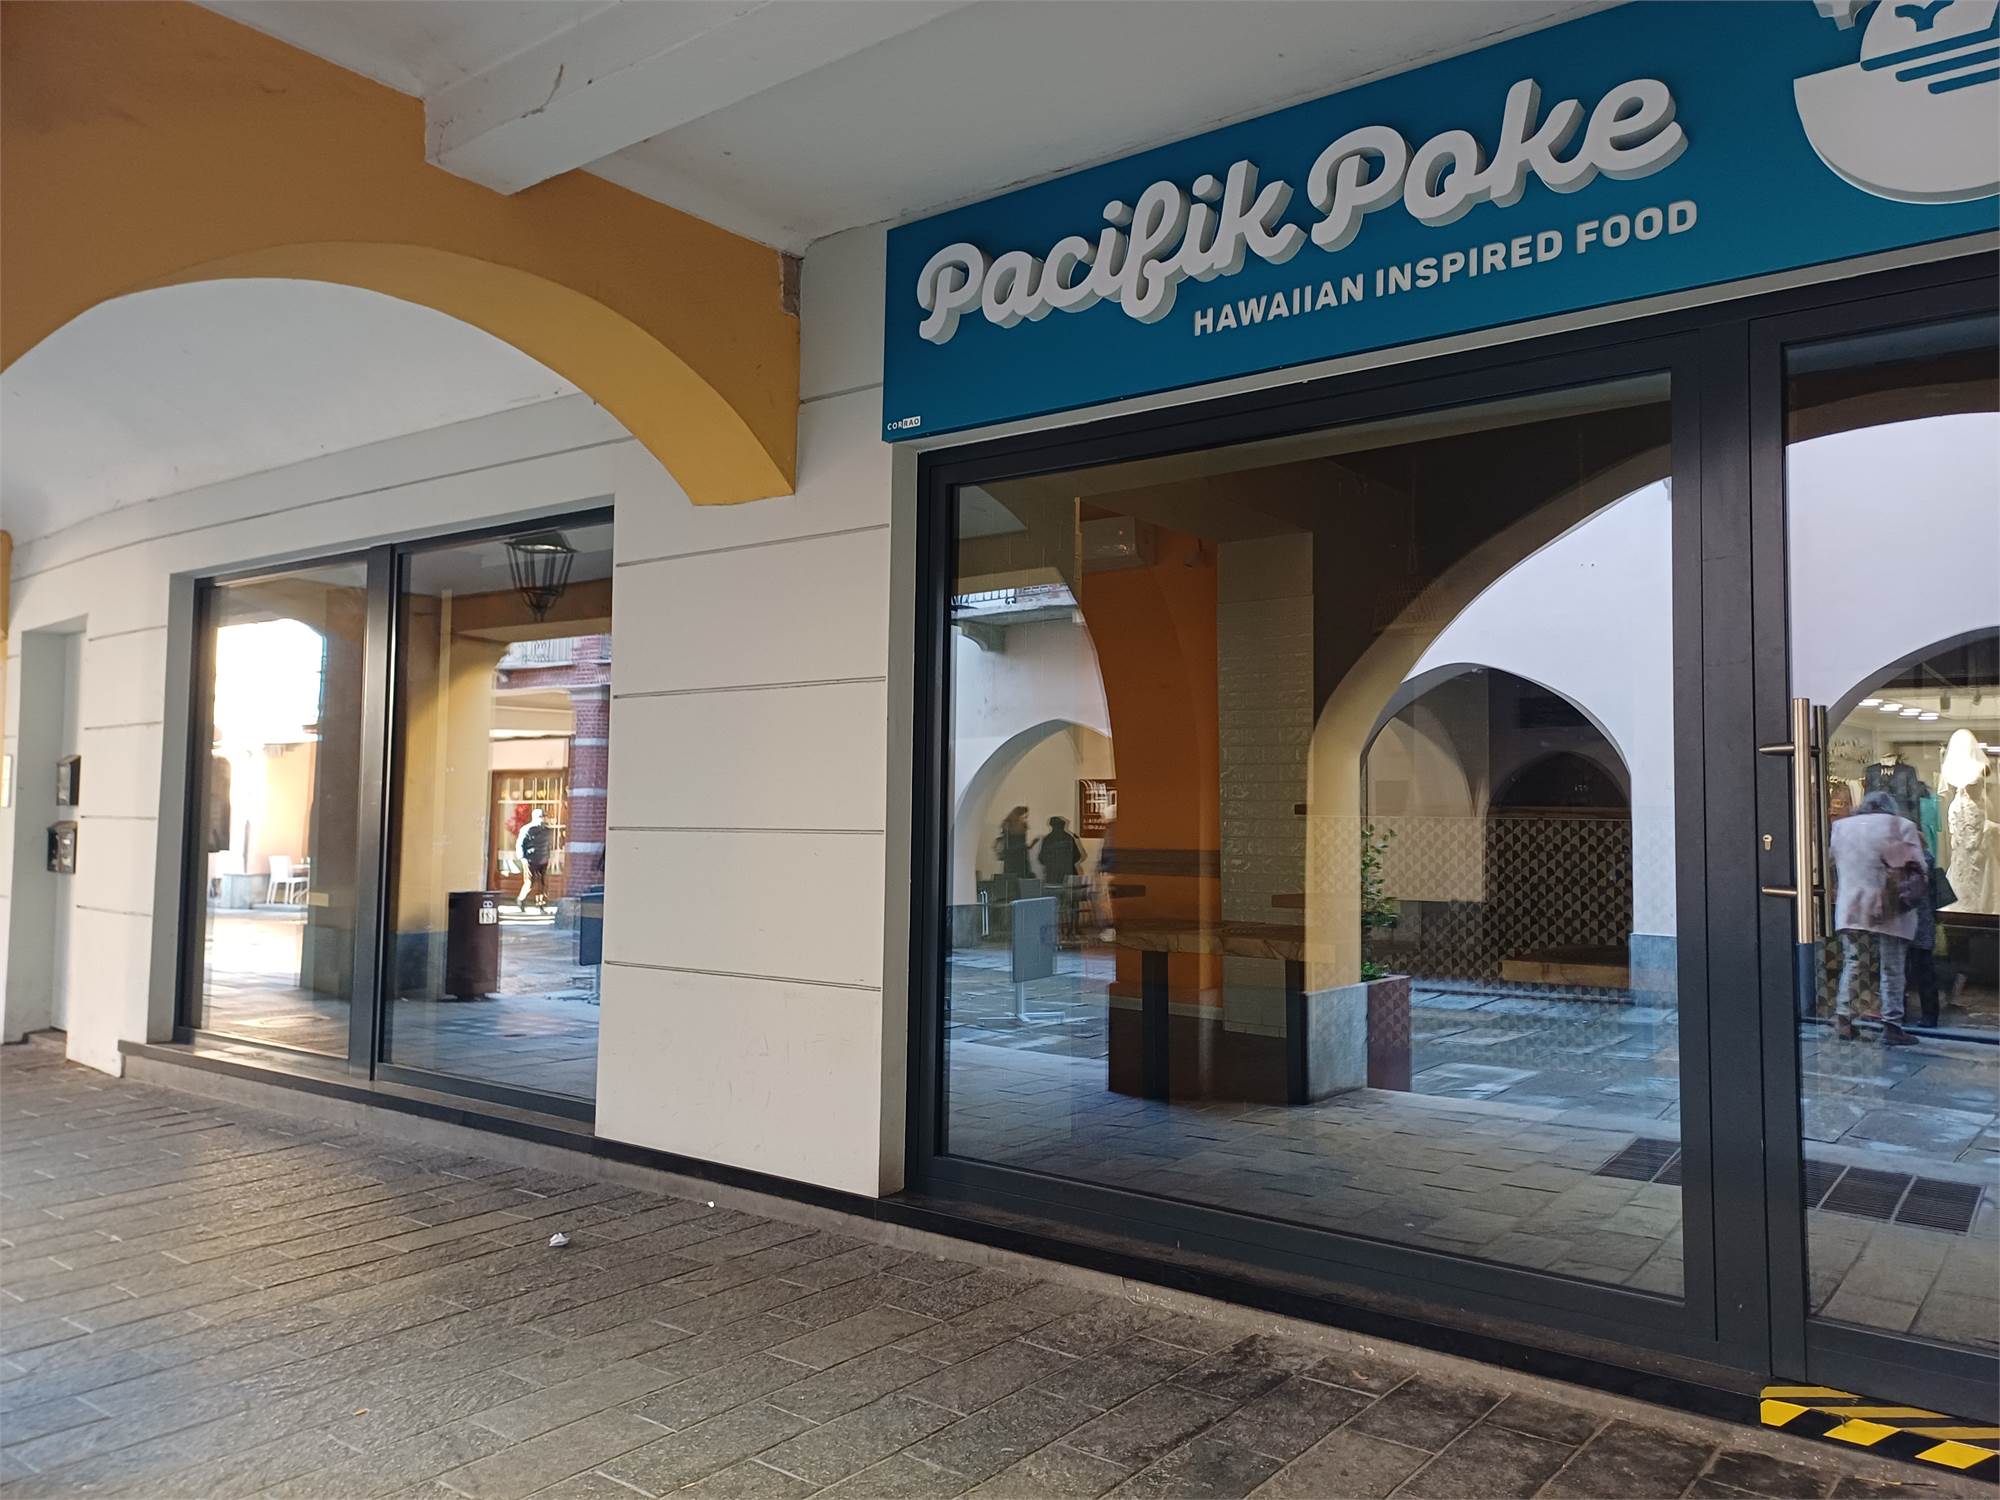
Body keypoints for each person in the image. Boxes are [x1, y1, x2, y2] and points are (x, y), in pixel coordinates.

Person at [1829, 789, 1926, 1045]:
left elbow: (1834, 861)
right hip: (1890, 906)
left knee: (1855, 961)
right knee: (1892, 967)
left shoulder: (1841, 828)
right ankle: (1892, 1025)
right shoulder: (1901, 826)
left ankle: (1843, 1018)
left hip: (1851, 906)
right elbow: (1918, 866)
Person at [1038, 816, 1086, 941]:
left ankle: (1056, 929)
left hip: (1053, 877)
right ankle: (1073, 929)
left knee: (1055, 904)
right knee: (1073, 903)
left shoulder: (1048, 839)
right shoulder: (1069, 838)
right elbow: (1078, 856)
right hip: (1070, 875)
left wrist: (1052, 865)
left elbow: (1041, 858)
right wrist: (1066, 864)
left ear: (1051, 826)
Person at [517, 807, 554, 912]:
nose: (543, 819)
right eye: (541, 817)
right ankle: (521, 899)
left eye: (544, 816)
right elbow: (520, 844)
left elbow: (548, 845)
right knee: (529, 882)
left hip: (543, 859)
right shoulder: (527, 829)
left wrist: (548, 856)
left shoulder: (547, 831)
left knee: (543, 884)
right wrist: (522, 858)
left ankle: (541, 905)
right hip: (530, 860)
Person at [995, 806, 1035, 889]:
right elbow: (1009, 847)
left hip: (1021, 858)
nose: (1025, 819)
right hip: (1013, 859)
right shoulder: (1008, 826)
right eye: (1024, 816)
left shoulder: (1020, 826)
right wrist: (1026, 846)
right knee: (1013, 884)